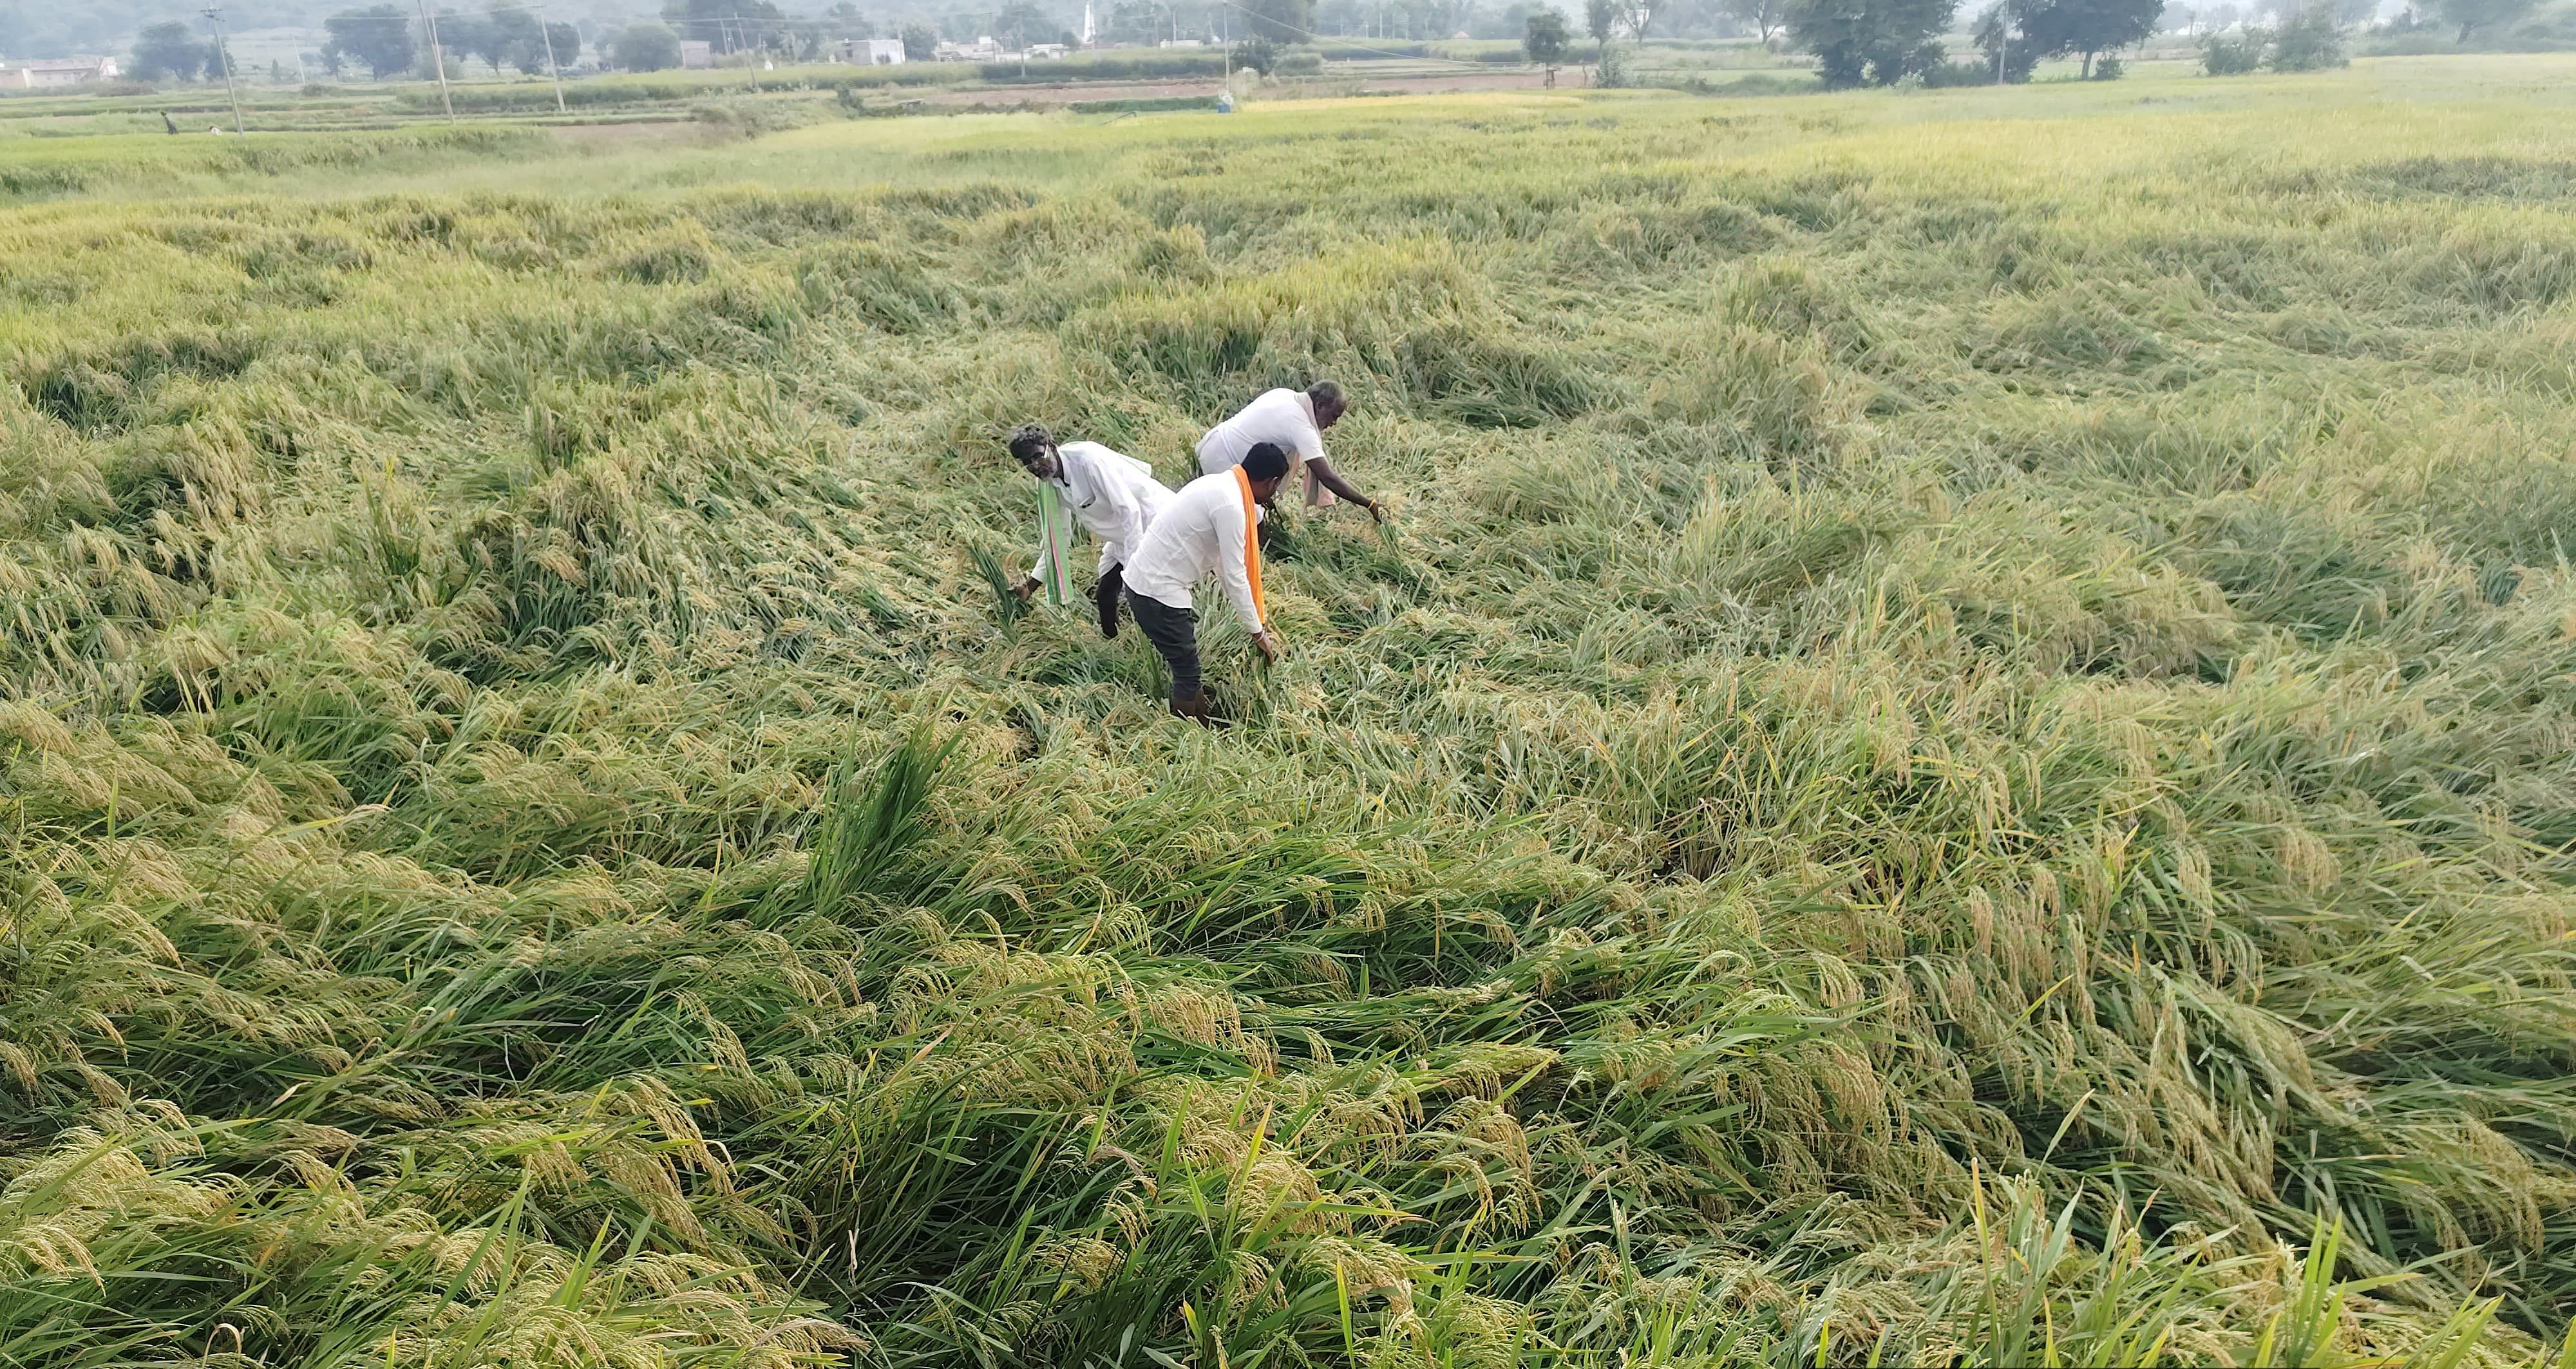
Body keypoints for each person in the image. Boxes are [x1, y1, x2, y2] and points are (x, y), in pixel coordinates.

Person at [1123, 442, 1289, 724]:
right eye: (1277, 487)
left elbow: (1224, 566)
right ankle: (1184, 739)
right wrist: (1258, 633)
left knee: (1189, 669)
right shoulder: (1232, 506)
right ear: (1271, 482)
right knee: (1187, 673)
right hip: (1158, 593)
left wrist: (1256, 621)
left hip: (1145, 584)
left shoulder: (1219, 485)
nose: (1274, 494)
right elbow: (1236, 573)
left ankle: (1203, 722)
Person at [1007, 423, 1173, 638]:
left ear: (1053, 446)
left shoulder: (1088, 460)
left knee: (1150, 597)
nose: (1036, 466)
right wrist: (1030, 587)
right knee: (1105, 594)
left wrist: (1134, 565)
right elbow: (1057, 538)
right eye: (1028, 463)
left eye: (1038, 457)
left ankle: (1168, 644)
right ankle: (1113, 645)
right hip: (1122, 536)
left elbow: (1128, 510)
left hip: (1153, 524)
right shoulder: (1048, 484)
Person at [1195, 380, 1384, 519]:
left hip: (1213, 442)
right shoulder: (1301, 425)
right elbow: (1328, 477)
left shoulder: (1285, 394)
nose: (1334, 423)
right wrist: (1369, 504)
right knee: (1252, 520)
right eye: (1334, 416)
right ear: (1319, 405)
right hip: (1222, 461)